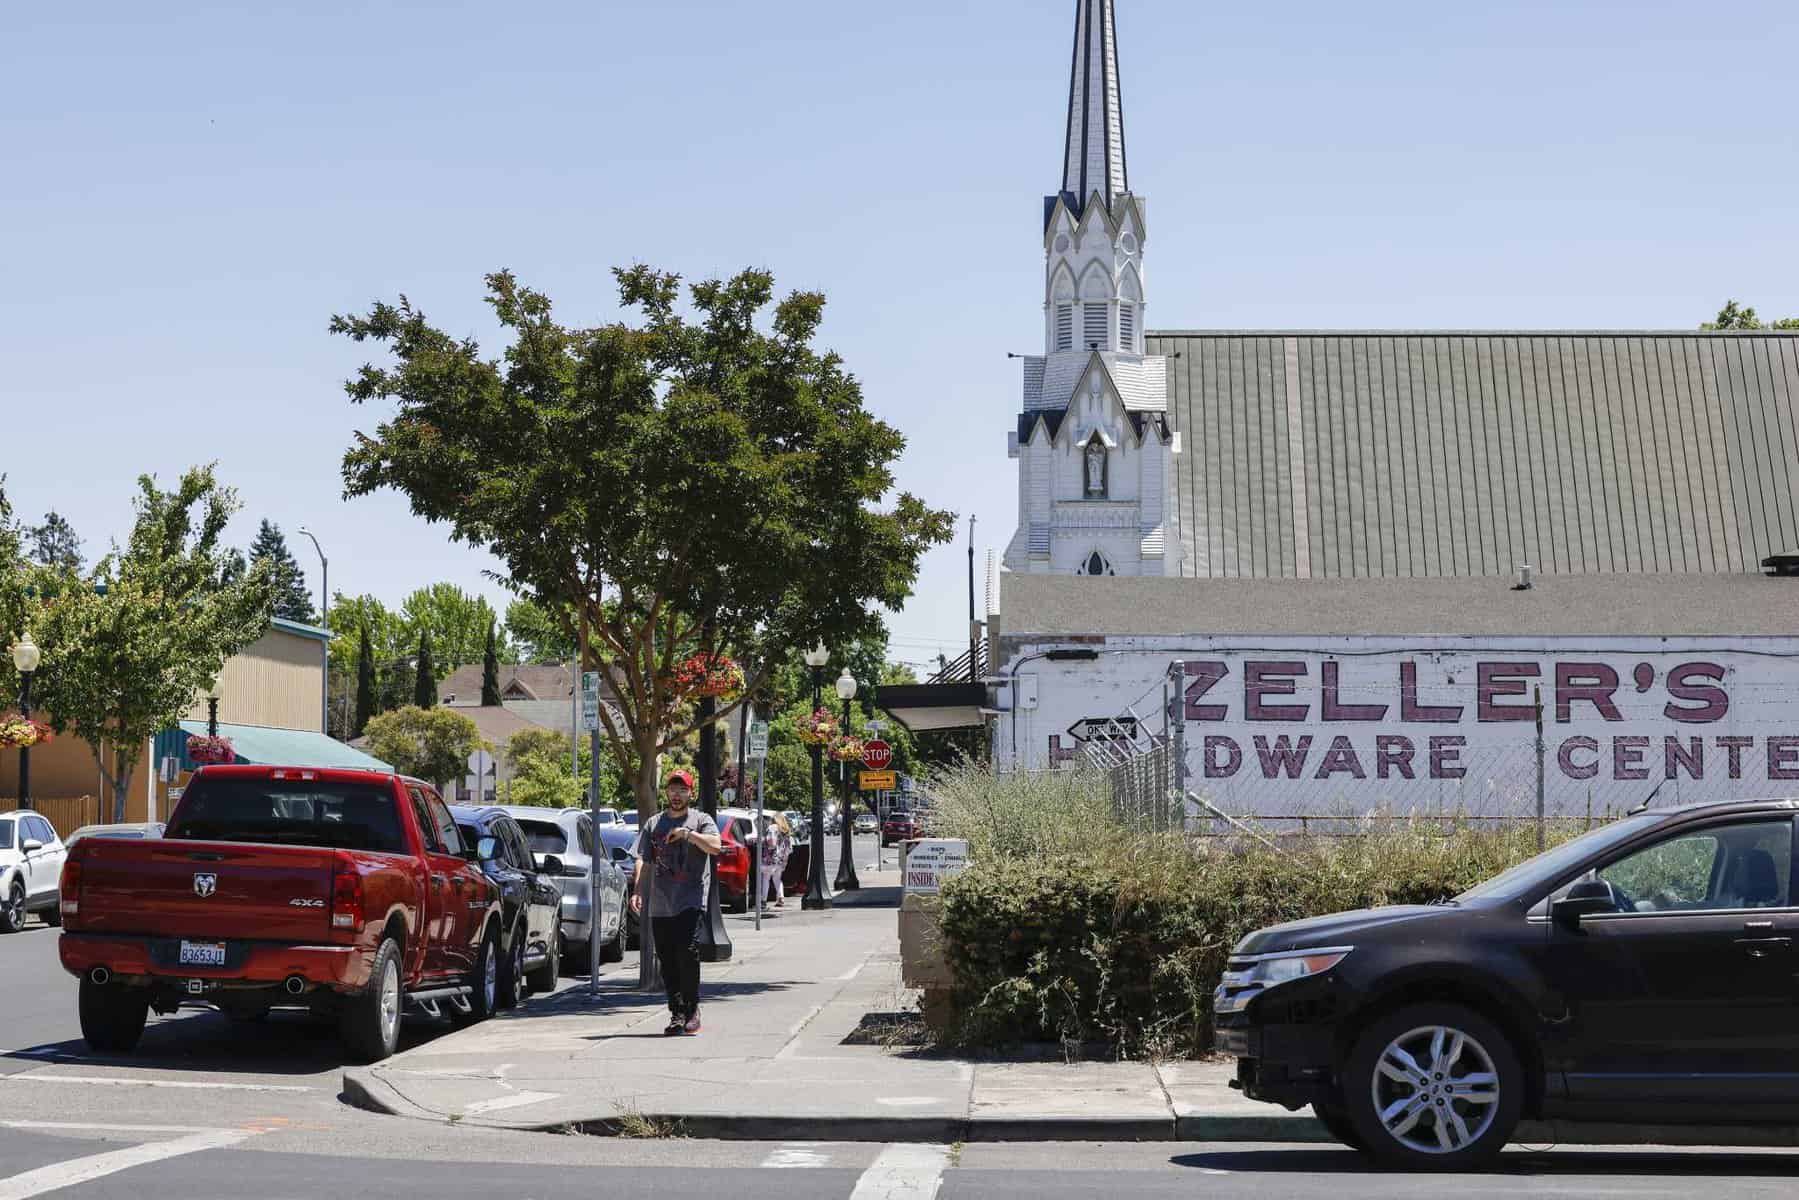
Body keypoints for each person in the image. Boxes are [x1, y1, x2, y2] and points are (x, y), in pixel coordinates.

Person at [629, 770, 721, 1036]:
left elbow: (716, 846)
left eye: (682, 790)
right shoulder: (654, 823)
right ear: (666, 792)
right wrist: (638, 890)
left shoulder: (701, 820)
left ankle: (692, 1010)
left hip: (690, 898)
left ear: (691, 793)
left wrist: (687, 834)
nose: (677, 795)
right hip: (660, 901)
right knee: (667, 960)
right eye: (673, 789)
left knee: (687, 952)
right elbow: (643, 859)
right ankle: (677, 1012)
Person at [759, 813, 791, 909]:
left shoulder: (772, 828)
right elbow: (789, 848)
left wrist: (763, 841)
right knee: (777, 879)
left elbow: (771, 842)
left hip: (770, 858)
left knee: (766, 878)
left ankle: (763, 901)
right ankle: (780, 897)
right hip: (781, 859)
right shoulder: (785, 831)